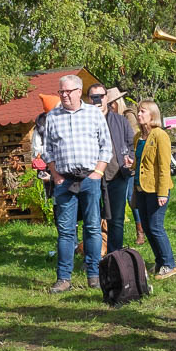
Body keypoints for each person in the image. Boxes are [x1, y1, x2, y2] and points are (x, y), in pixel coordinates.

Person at [40, 75, 110, 293]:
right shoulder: (52, 117)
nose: (64, 95)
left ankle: (94, 275)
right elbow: (47, 150)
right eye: (61, 92)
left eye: (68, 91)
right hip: (64, 181)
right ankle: (64, 279)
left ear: (79, 91)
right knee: (66, 231)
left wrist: (98, 172)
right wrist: (55, 175)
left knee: (93, 228)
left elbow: (106, 146)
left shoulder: (93, 114)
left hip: (90, 179)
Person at [131, 100, 176, 279]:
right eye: (138, 111)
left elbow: (164, 166)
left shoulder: (160, 135)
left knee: (156, 227)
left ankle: (169, 264)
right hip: (140, 188)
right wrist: (131, 164)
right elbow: (141, 163)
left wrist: (162, 192)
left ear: (152, 114)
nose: (139, 114)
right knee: (147, 228)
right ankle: (160, 261)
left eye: (143, 111)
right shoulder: (138, 137)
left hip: (156, 190)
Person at [90, 84, 134, 255]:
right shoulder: (85, 121)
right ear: (89, 99)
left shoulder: (120, 121)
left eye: (100, 96)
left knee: (116, 219)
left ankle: (115, 257)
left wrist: (129, 160)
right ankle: (93, 258)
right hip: (92, 177)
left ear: (106, 98)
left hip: (116, 176)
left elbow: (131, 144)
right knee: (92, 220)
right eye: (93, 97)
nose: (97, 100)